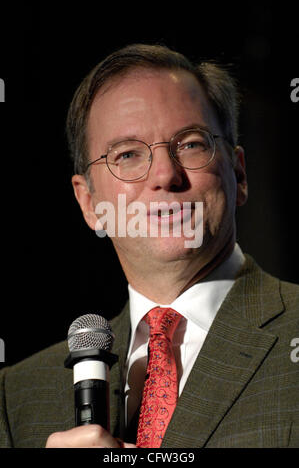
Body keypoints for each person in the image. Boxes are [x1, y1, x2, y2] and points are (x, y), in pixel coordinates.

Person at [0, 44, 298, 448]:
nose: (164, 174)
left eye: (191, 144)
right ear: (89, 203)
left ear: (239, 173)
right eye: (127, 155)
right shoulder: (16, 397)